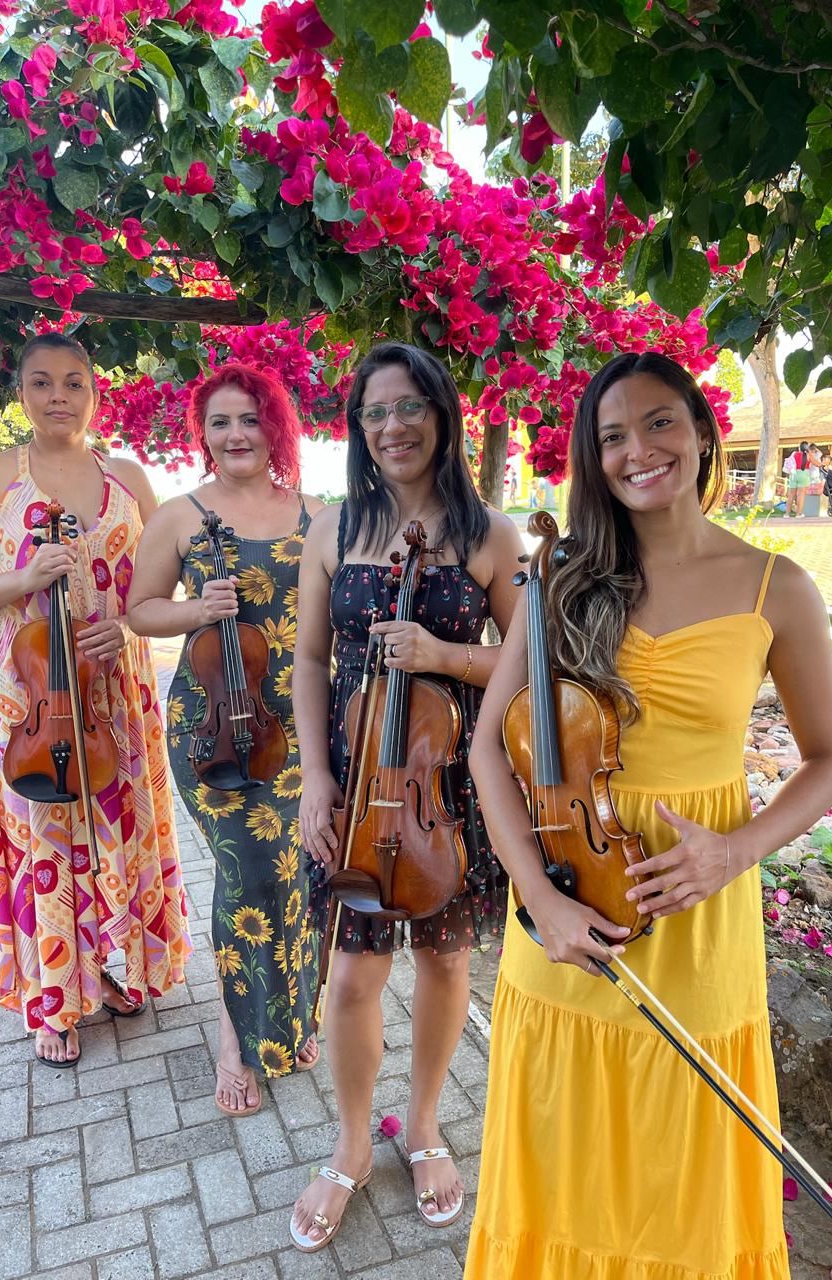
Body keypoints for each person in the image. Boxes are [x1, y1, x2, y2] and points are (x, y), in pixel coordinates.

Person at [465, 351, 832, 1279]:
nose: (637, 450)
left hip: (700, 916)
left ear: (703, 430)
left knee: (684, 1163)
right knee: (564, 1157)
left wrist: (737, 851)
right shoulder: (559, 579)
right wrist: (539, 899)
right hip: (567, 905)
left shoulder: (776, 587)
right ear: (591, 461)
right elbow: (488, 747)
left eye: (659, 422)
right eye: (611, 437)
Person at [289, 342, 524, 1252]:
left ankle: (422, 1124)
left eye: (412, 406)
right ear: (358, 425)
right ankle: (353, 1141)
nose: (395, 426)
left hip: (449, 791)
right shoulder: (333, 529)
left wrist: (442, 656)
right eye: (377, 410)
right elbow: (312, 659)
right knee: (351, 975)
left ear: (443, 416)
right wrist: (314, 776)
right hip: (356, 786)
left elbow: (528, 659)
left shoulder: (489, 535)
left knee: (445, 967)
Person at [0, 332, 190, 1066]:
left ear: (94, 395)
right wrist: (19, 579)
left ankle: (118, 967)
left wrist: (124, 622)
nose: (58, 395)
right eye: (42, 382)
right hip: (27, 695)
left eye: (74, 382)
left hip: (114, 688)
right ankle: (50, 1000)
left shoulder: (133, 479)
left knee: (118, 824)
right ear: (21, 394)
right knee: (40, 837)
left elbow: (159, 585)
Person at [127, 363, 324, 1116]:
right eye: (220, 422)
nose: (235, 434)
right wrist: (196, 611)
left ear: (274, 426)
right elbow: (140, 610)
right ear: (201, 435)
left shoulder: (314, 512)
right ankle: (235, 1040)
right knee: (246, 878)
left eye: (250, 419)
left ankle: (295, 1016)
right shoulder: (180, 516)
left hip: (299, 720)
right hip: (213, 723)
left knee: (299, 867)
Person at [782, 439, 811, 516]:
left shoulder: (794, 454)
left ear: (799, 448)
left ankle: (787, 514)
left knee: (791, 495)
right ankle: (798, 514)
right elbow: (817, 463)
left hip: (793, 474)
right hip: (803, 474)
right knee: (800, 495)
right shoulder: (809, 455)